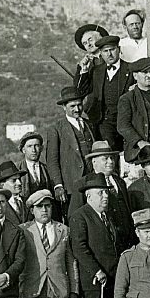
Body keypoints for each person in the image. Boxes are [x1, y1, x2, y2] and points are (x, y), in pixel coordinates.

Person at [68, 174, 122, 298]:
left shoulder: (108, 216)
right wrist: (97, 271)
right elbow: (79, 248)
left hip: (112, 277)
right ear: (88, 196)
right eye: (101, 193)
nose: (106, 196)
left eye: (106, 193)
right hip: (94, 281)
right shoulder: (80, 216)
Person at [19, 189, 77, 298]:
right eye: (39, 206)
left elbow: (71, 262)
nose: (44, 210)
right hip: (32, 289)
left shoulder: (63, 230)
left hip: (58, 291)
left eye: (47, 206)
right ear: (32, 210)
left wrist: (74, 291)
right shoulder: (23, 231)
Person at [76, 34, 134, 152]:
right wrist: (84, 70)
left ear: (119, 50)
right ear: (101, 54)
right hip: (103, 122)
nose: (109, 54)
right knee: (108, 150)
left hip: (126, 120)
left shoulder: (131, 69)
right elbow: (81, 91)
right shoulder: (97, 71)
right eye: (105, 51)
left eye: (112, 50)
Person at [45, 86, 97, 217]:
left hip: (91, 182)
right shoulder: (56, 129)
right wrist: (58, 185)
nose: (77, 109)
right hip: (71, 187)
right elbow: (52, 161)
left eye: (79, 105)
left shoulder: (90, 125)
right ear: (64, 107)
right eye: (72, 106)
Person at [86, 141, 135, 252]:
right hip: (104, 249)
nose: (110, 162)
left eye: (112, 158)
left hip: (126, 245)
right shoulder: (84, 184)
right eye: (105, 159)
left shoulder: (120, 182)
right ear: (94, 162)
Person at [18, 131, 57, 220]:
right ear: (23, 150)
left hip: (45, 216)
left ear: (41, 148)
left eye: (37, 145)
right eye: (29, 146)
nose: (34, 150)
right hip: (25, 217)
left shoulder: (48, 169)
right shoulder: (17, 170)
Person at [0, 161, 30, 227]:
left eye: (19, 179)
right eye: (13, 180)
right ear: (2, 185)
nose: (19, 183)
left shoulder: (28, 201)